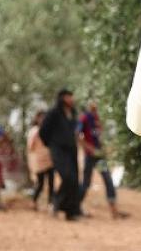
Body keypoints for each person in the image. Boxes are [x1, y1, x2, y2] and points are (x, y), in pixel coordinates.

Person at [39, 89, 84, 221]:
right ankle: (56, 201)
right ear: (62, 98)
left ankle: (70, 211)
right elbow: (43, 131)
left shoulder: (72, 113)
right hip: (58, 150)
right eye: (68, 96)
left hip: (71, 150)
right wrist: (51, 144)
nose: (71, 99)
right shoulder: (53, 113)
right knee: (67, 176)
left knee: (74, 180)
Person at [79, 101, 128, 219]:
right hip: (90, 156)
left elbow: (100, 135)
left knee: (107, 179)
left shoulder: (97, 118)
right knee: (86, 182)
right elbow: (77, 134)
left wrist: (103, 147)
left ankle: (114, 210)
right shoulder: (84, 118)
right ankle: (76, 207)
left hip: (99, 156)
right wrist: (89, 148)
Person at [26, 111, 54, 212]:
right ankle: (34, 201)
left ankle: (51, 203)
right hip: (39, 160)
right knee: (40, 183)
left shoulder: (48, 130)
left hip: (49, 159)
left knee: (51, 183)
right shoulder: (34, 131)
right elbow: (30, 146)